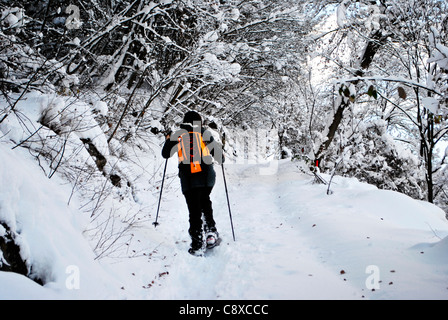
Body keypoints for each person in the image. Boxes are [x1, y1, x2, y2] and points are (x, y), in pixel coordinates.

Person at [161, 111, 224, 255]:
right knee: (205, 202)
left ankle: (197, 244)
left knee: (194, 210)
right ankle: (211, 233)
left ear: (184, 121)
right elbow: (220, 158)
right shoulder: (204, 133)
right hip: (207, 177)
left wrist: (168, 139)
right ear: (199, 122)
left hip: (189, 180)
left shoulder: (179, 134)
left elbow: (165, 154)